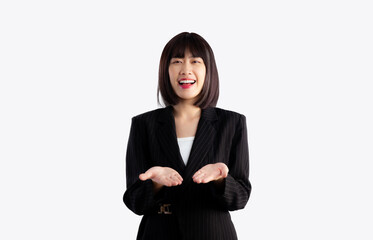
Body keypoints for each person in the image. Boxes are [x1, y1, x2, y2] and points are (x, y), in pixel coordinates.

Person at [123, 32, 252, 240]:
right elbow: (134, 201)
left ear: (208, 70)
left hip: (212, 234)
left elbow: (241, 198)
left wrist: (221, 179)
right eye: (177, 61)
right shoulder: (143, 125)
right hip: (158, 234)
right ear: (166, 70)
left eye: (195, 61)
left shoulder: (232, 123)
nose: (186, 69)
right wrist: (156, 183)